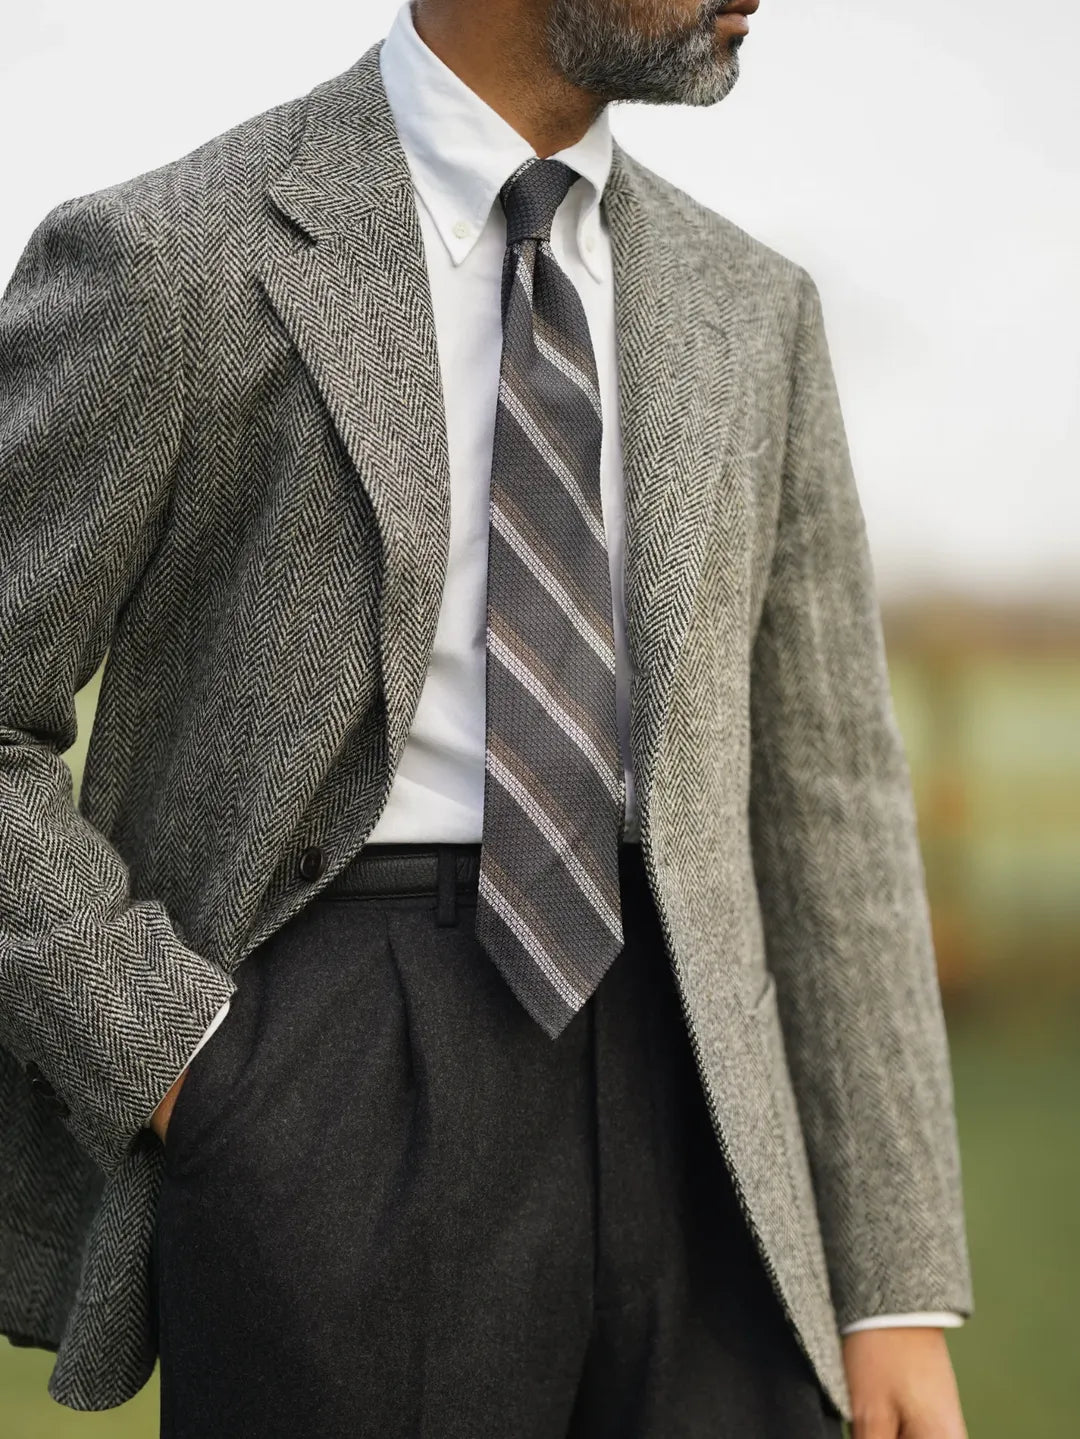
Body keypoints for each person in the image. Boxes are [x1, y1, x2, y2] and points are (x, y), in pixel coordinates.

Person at [0, 0, 974, 1434]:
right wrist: (178, 1063)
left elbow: (826, 802)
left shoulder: (754, 308)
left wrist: (892, 1288)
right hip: (331, 1081)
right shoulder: (168, 263)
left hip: (707, 1098)